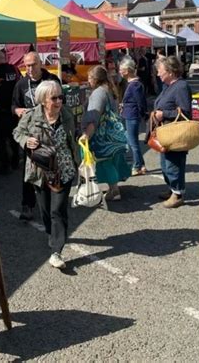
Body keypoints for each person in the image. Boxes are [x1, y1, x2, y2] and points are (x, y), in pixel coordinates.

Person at [13, 81, 78, 269]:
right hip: (40, 171)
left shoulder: (66, 114)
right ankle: (53, 235)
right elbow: (17, 132)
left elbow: (72, 137)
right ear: (43, 100)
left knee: (58, 210)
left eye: (60, 97)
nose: (59, 101)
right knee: (45, 210)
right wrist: (26, 140)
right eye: (54, 98)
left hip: (63, 170)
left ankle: (56, 251)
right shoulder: (31, 116)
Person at [12, 51, 60, 221]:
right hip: (30, 132)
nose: (30, 69)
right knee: (28, 170)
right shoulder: (21, 84)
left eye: (33, 65)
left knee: (50, 168)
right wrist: (18, 111)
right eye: (27, 65)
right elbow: (15, 105)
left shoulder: (51, 80)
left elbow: (61, 102)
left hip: (49, 132)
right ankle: (27, 205)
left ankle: (52, 203)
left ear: (40, 64)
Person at [80, 65, 131, 201]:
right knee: (111, 160)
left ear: (96, 79)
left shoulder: (98, 93)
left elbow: (94, 116)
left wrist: (87, 134)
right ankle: (114, 188)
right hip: (111, 133)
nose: (88, 81)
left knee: (104, 161)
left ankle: (114, 190)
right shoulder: (109, 89)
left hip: (101, 135)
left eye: (90, 78)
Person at [153, 56, 192, 209]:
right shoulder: (169, 86)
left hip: (175, 133)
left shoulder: (181, 86)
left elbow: (186, 112)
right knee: (165, 164)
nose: (158, 74)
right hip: (166, 133)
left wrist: (164, 114)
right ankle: (172, 189)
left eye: (160, 71)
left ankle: (178, 193)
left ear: (170, 71)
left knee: (174, 164)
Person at [0, 50, 21, 174]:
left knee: (1, 139)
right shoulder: (15, 69)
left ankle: (5, 165)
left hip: (3, 110)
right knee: (14, 137)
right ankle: (15, 160)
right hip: (14, 109)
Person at [119, 57, 147, 176]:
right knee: (132, 141)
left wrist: (143, 115)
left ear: (127, 70)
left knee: (133, 142)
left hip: (132, 115)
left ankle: (137, 166)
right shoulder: (132, 84)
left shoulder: (135, 85)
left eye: (122, 69)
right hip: (130, 114)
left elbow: (140, 102)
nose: (120, 71)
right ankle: (141, 164)